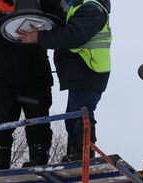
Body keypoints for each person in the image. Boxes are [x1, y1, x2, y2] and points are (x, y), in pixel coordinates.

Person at [0, 0, 56, 169]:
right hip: (4, 78)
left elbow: (57, 15)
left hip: (35, 76)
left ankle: (38, 158)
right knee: (0, 124)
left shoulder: (39, 3)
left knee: (38, 122)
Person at [17, 0, 111, 162]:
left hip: (89, 69)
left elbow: (73, 35)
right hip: (82, 71)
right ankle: (75, 153)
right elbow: (54, 11)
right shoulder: (74, 5)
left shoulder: (92, 8)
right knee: (74, 115)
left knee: (80, 112)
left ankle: (83, 153)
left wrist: (39, 37)